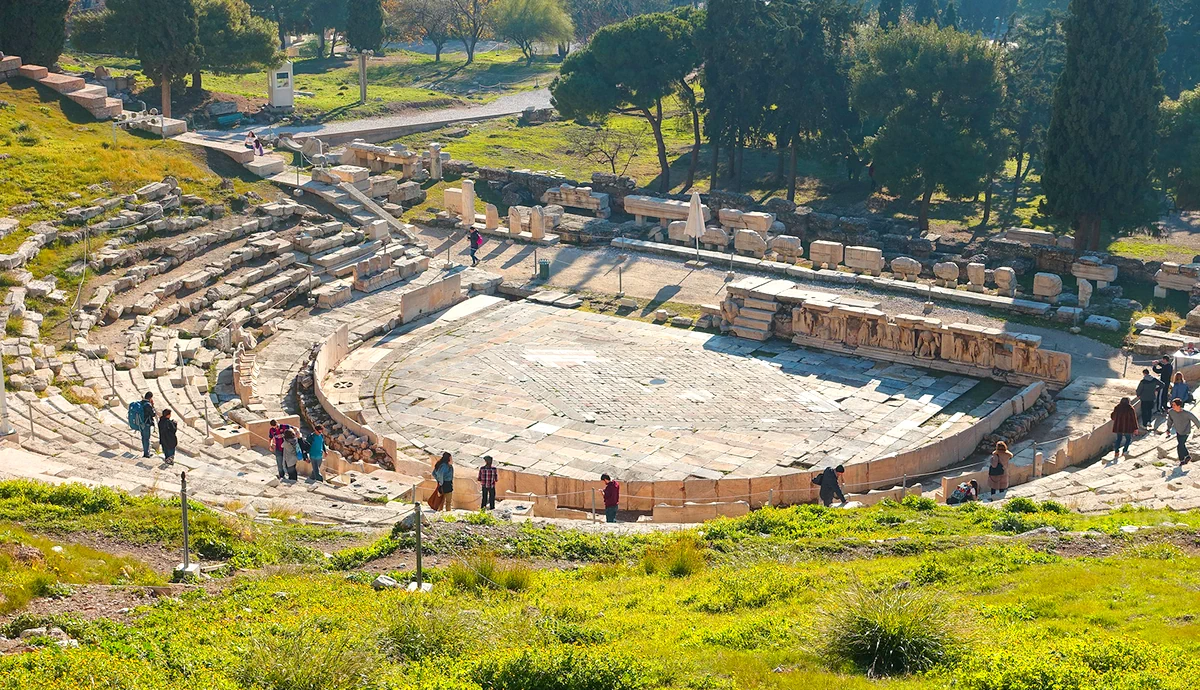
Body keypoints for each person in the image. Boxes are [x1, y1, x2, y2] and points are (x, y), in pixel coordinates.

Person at [1165, 398, 1199, 465]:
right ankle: (1187, 456)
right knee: (1182, 445)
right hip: (1178, 431)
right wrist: (1168, 429)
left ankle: (1182, 460)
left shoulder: (1187, 413)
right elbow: (1170, 421)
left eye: (1174, 405)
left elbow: (1195, 420)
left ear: (1179, 405)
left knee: (1180, 445)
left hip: (1186, 432)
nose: (1172, 406)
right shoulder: (1171, 412)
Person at [136, 392, 157, 458]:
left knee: (143, 438)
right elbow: (153, 414)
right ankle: (146, 454)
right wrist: (152, 405)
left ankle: (146, 452)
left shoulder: (141, 402)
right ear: (150, 398)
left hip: (140, 422)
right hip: (146, 423)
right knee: (147, 438)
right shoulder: (148, 405)